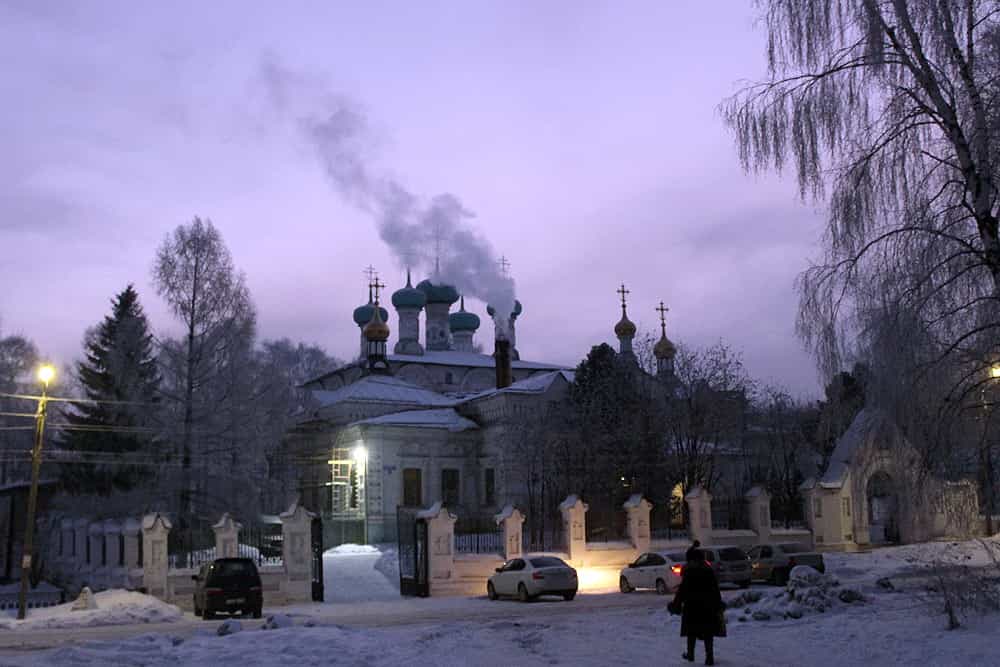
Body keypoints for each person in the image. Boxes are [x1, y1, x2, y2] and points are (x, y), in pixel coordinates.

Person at [669, 547, 724, 665]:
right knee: (708, 632)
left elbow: (682, 591)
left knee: (691, 632)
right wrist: (718, 604)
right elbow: (715, 590)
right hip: (708, 607)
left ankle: (690, 655)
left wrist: (675, 604)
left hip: (692, 607)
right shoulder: (708, 571)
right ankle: (709, 657)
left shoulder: (689, 572)